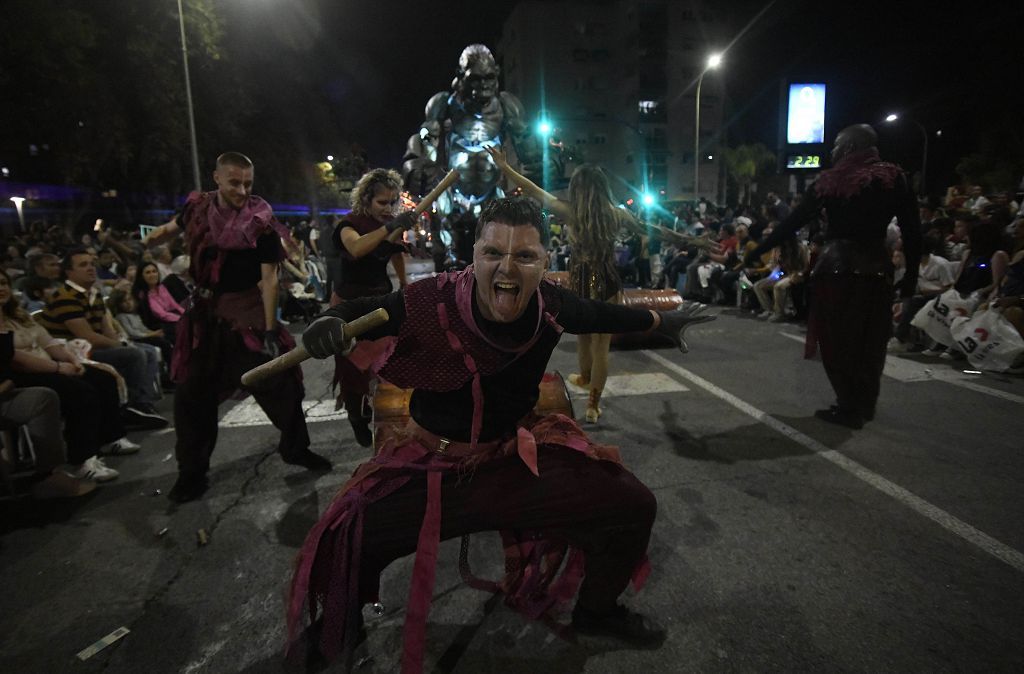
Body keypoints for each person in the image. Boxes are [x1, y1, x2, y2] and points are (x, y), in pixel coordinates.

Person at [286, 197, 715, 670]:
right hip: (430, 469)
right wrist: (330, 322)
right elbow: (371, 310)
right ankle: (337, 630)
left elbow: (605, 315)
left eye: (525, 256)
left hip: (514, 462)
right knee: (345, 535)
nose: (507, 267)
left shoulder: (551, 305)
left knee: (632, 506)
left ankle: (597, 611)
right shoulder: (432, 299)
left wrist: (664, 321)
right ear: (474, 255)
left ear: (546, 263)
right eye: (494, 253)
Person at [143, 151, 329, 503]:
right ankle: (191, 473)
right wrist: (152, 240)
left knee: (281, 383)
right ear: (216, 178)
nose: (242, 190)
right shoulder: (197, 210)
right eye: (234, 182)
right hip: (202, 318)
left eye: (248, 183)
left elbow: (270, 280)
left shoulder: (260, 220)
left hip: (246, 316)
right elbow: (171, 229)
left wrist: (272, 330)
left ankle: (295, 448)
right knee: (192, 396)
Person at [745, 124, 922, 429]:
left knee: (838, 341)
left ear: (851, 148)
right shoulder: (896, 179)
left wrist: (754, 251)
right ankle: (863, 404)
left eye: (838, 146)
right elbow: (913, 234)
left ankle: (848, 405)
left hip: (838, 272)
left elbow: (792, 223)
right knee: (871, 341)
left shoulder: (831, 181)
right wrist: (911, 278)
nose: (833, 153)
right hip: (878, 271)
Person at [487, 146, 637, 422]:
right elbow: (651, 230)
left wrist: (506, 168)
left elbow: (532, 189)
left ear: (578, 188)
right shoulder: (618, 214)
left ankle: (585, 377)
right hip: (609, 282)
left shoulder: (569, 212)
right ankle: (593, 405)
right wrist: (693, 242)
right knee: (602, 346)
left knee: (582, 335)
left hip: (580, 281)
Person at [1, 269, 137, 484]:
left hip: (50, 363)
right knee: (79, 391)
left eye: (4, 283)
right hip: (21, 373)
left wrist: (72, 361)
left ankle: (111, 438)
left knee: (102, 377)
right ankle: (82, 460)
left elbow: (49, 342)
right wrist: (58, 368)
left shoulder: (19, 316)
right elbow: (16, 359)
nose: (2, 289)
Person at [35, 247, 168, 429]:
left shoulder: (94, 295)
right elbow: (86, 336)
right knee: (134, 354)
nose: (91, 268)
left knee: (147, 352)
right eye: (83, 265)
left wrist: (120, 343)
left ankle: (141, 404)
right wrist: (119, 345)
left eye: (91, 264)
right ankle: (130, 408)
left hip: (92, 347)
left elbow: (106, 330)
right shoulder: (65, 297)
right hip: (74, 352)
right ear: (69, 272)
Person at [330, 168, 414, 446]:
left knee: (392, 361)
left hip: (381, 302)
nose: (388, 208)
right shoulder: (348, 225)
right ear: (366, 200)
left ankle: (389, 416)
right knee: (353, 369)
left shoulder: (387, 224)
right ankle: (357, 416)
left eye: (392, 202)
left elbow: (393, 252)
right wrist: (389, 228)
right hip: (350, 306)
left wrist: (404, 284)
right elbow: (356, 248)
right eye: (382, 202)